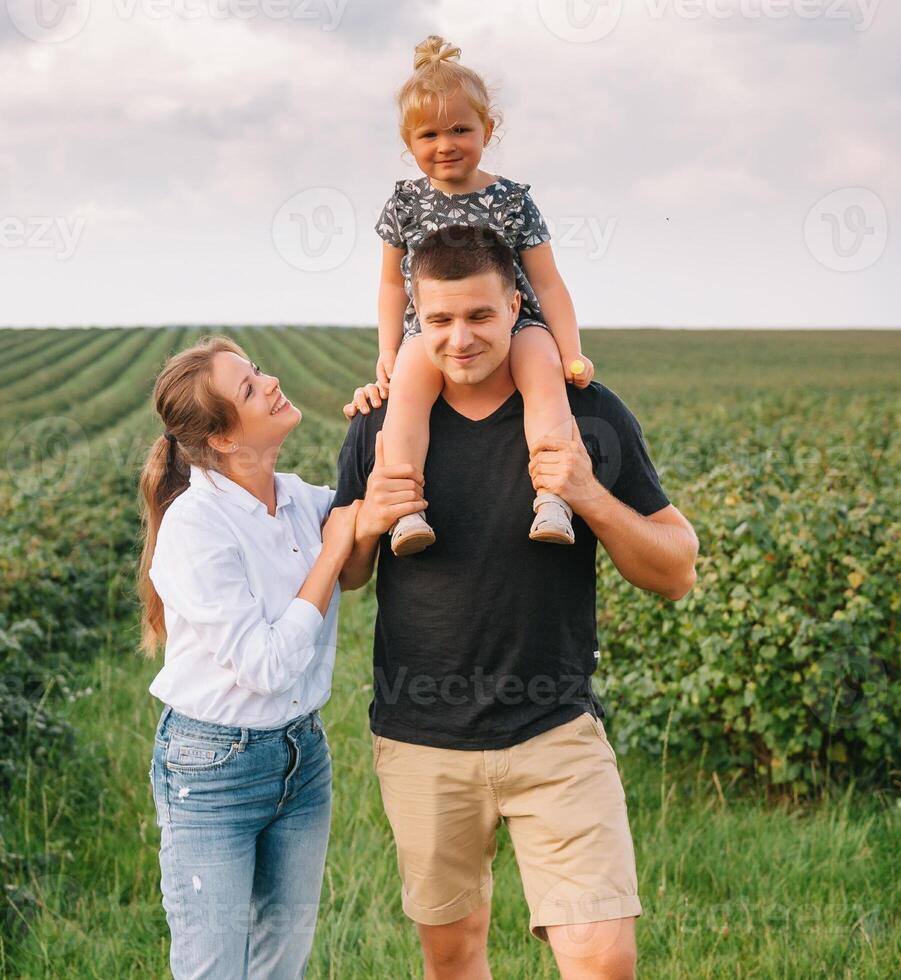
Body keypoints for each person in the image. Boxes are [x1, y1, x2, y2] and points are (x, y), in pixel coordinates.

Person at [334, 226, 699, 980]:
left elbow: (675, 572)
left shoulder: (584, 414)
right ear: (415, 320)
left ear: (515, 307)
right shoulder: (378, 425)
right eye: (437, 321)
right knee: (455, 956)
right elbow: (349, 578)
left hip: (555, 731)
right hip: (422, 738)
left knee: (603, 961)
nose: (459, 339)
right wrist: (367, 523)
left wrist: (587, 494)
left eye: (479, 316)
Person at [136, 335, 421, 978]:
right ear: (226, 439)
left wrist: (381, 409)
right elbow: (265, 666)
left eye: (257, 371)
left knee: (280, 964)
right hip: (212, 769)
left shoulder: (300, 499)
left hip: (301, 758)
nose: (268, 383)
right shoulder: (196, 526)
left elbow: (358, 536)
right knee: (214, 967)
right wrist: (329, 553)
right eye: (247, 387)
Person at [371, 34, 597, 557]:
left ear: (487, 130)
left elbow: (546, 281)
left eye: (459, 129)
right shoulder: (405, 203)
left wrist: (571, 350)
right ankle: (406, 511)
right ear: (409, 144)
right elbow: (389, 283)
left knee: (543, 377)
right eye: (428, 135)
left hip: (512, 326)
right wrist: (388, 350)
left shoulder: (512, 200)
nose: (445, 144)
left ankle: (552, 498)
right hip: (430, 329)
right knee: (405, 400)